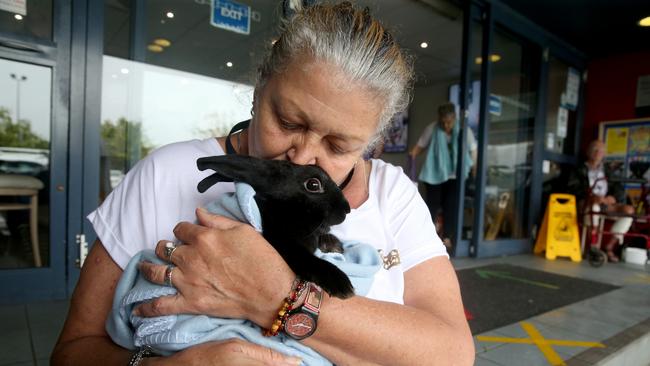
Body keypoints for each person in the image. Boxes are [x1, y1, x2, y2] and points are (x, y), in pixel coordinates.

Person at [51, 3, 474, 365]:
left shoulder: (393, 194)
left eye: (339, 145)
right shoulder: (165, 174)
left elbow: (453, 353)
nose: (305, 156)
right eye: (288, 122)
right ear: (259, 87)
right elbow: (72, 351)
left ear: (372, 144)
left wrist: (277, 297)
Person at [409, 103, 477, 245]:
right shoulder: (432, 128)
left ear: (455, 118)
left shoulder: (464, 130)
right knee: (432, 205)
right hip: (434, 174)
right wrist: (412, 158)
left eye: (449, 122)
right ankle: (429, 236)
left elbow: (473, 150)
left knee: (450, 206)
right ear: (439, 119)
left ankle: (447, 237)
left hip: (455, 175)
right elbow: (419, 147)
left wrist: (474, 168)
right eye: (443, 122)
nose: (446, 126)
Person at [568, 140, 635, 262]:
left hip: (605, 205)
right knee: (594, 207)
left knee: (629, 211)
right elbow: (573, 188)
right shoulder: (579, 169)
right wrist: (592, 196)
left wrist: (612, 198)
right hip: (587, 203)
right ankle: (593, 247)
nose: (598, 152)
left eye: (601, 150)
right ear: (589, 152)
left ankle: (610, 246)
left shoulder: (608, 170)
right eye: (595, 149)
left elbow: (619, 188)